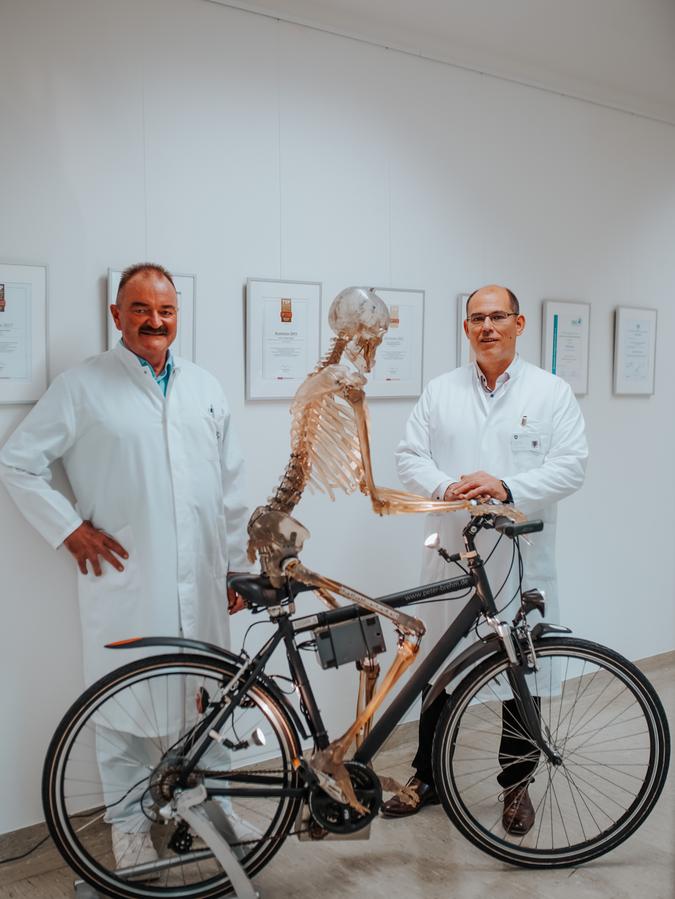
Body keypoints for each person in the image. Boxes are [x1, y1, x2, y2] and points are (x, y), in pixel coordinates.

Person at [0, 262, 249, 866]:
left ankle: (215, 803)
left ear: (177, 316)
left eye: (165, 310)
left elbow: (231, 488)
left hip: (205, 576)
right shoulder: (81, 387)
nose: (154, 321)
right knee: (122, 708)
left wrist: (235, 567)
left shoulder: (206, 387)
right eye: (140, 310)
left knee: (209, 699)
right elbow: (18, 462)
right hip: (128, 580)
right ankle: (129, 827)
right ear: (116, 316)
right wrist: (70, 530)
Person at [381, 284, 588, 834]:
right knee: (439, 673)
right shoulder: (440, 390)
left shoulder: (551, 393)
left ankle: (516, 787)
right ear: (466, 327)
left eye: (498, 317)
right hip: (454, 555)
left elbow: (572, 468)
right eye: (477, 318)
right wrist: (446, 484)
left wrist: (506, 485)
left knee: (520, 673)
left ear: (519, 325)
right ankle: (425, 776)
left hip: (521, 557)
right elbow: (409, 456)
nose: (487, 326)